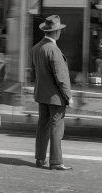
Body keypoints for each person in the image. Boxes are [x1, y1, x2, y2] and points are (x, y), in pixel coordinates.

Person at [31, 15, 73, 171]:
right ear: (56, 33)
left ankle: (40, 158)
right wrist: (68, 96)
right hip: (55, 97)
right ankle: (56, 161)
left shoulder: (36, 48)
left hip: (41, 94)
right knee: (56, 128)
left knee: (43, 126)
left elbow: (34, 74)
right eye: (60, 30)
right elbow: (61, 77)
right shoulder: (53, 50)